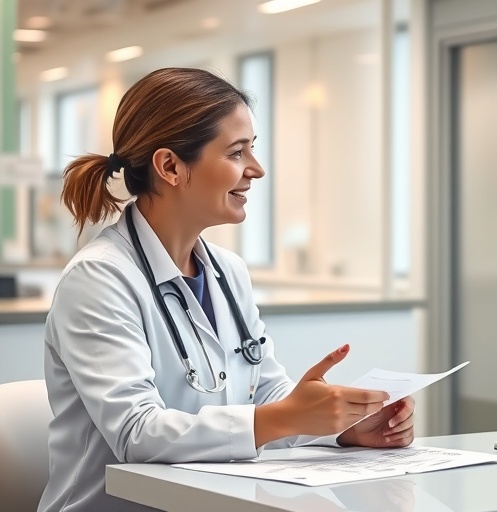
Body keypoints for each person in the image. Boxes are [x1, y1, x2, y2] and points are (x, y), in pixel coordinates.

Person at [39, 67, 415, 512]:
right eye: (237, 152)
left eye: (251, 150)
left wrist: (343, 426)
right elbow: (135, 433)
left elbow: (268, 395)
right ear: (170, 167)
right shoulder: (100, 278)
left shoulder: (227, 271)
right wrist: (287, 415)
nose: (256, 170)